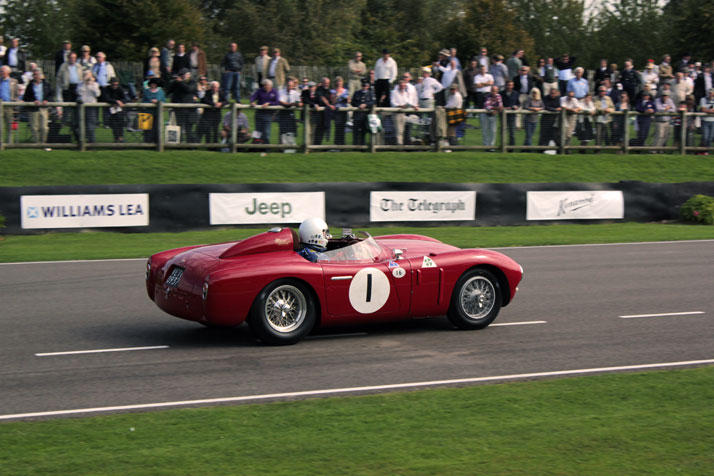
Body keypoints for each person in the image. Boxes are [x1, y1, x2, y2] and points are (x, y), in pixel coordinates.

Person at [22, 68, 54, 143]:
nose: (35, 76)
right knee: (34, 127)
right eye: (34, 75)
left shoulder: (46, 84)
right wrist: (33, 101)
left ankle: (43, 143)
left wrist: (47, 100)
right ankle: (37, 143)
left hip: (43, 108)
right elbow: (26, 97)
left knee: (44, 127)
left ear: (41, 75)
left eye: (37, 74)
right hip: (33, 109)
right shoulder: (30, 85)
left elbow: (51, 95)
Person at [168, 68, 198, 143]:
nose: (183, 76)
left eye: (184, 74)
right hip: (179, 108)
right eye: (181, 74)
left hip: (189, 109)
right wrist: (175, 82)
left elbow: (189, 89)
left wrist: (181, 82)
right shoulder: (177, 83)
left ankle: (189, 144)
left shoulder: (192, 82)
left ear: (189, 75)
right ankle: (180, 144)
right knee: (179, 126)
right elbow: (169, 91)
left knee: (188, 128)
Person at [250, 78, 279, 144]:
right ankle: (256, 146)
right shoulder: (259, 91)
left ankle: (266, 147)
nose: (266, 87)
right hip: (259, 114)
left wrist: (269, 103)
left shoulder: (274, 92)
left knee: (266, 132)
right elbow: (253, 97)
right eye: (265, 85)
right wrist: (252, 102)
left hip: (268, 114)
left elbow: (277, 102)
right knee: (257, 131)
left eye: (267, 85)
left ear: (271, 86)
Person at [77, 70, 101, 143]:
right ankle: (82, 142)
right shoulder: (80, 84)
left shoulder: (95, 84)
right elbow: (79, 92)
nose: (87, 77)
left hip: (91, 107)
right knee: (81, 125)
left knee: (91, 126)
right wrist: (85, 83)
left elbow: (97, 94)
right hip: (82, 107)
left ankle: (92, 143)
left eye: (89, 76)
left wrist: (92, 84)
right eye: (86, 75)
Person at [102, 77, 128, 143]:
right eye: (113, 84)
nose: (115, 86)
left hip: (119, 110)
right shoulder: (106, 89)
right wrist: (116, 101)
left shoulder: (121, 89)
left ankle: (120, 137)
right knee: (114, 124)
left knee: (120, 123)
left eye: (116, 84)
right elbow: (106, 98)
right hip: (110, 110)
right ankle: (117, 138)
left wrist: (120, 102)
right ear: (110, 84)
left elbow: (126, 99)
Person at [351, 79, 375, 146]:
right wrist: (358, 105)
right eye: (363, 86)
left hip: (365, 116)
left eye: (366, 86)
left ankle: (363, 146)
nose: (364, 87)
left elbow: (373, 102)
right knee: (355, 131)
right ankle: (355, 146)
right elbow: (353, 102)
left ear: (368, 86)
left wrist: (366, 104)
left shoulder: (370, 94)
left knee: (363, 132)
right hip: (357, 115)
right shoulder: (357, 93)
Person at [141, 77, 165, 143]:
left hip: (157, 113)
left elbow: (163, 101)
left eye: (154, 84)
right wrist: (150, 102)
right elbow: (143, 102)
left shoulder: (161, 92)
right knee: (148, 129)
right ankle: (147, 143)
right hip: (148, 113)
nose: (153, 85)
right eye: (152, 83)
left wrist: (158, 102)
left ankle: (156, 142)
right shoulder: (146, 91)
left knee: (156, 128)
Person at [277, 76, 301, 142]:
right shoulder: (281, 92)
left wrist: (297, 103)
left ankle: (290, 146)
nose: (289, 87)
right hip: (282, 114)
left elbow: (299, 102)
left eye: (290, 86)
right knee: (283, 131)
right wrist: (292, 104)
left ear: (293, 86)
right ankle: (282, 147)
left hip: (291, 114)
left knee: (290, 131)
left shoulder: (295, 93)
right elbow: (281, 102)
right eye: (288, 85)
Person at [0, 65, 19, 144]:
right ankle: (1, 143)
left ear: (8, 72)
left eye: (2, 71)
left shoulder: (14, 81)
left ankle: (9, 143)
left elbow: (16, 94)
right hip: (0, 106)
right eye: (0, 71)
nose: (1, 73)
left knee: (9, 126)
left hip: (9, 106)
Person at [331, 76, 349, 145]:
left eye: (340, 81)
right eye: (338, 81)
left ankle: (342, 143)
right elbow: (333, 102)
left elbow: (348, 100)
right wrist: (336, 95)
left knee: (343, 127)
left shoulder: (345, 91)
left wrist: (347, 98)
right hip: (337, 111)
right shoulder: (333, 91)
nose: (339, 83)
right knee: (337, 127)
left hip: (344, 110)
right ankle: (337, 143)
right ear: (335, 83)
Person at [500, 80, 519, 146]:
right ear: (505, 85)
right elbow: (499, 104)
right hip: (503, 115)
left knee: (512, 132)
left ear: (513, 86)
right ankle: (503, 146)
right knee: (503, 131)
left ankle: (511, 147)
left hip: (512, 115)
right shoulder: (501, 93)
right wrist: (504, 108)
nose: (509, 87)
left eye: (511, 85)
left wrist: (516, 106)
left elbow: (518, 103)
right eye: (508, 85)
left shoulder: (516, 93)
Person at [699, 88, 714, 154]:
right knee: (705, 137)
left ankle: (707, 152)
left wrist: (708, 111)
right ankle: (701, 150)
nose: (710, 94)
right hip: (705, 120)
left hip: (712, 121)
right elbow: (703, 109)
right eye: (709, 93)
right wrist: (710, 111)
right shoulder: (703, 99)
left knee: (710, 138)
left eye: (711, 93)